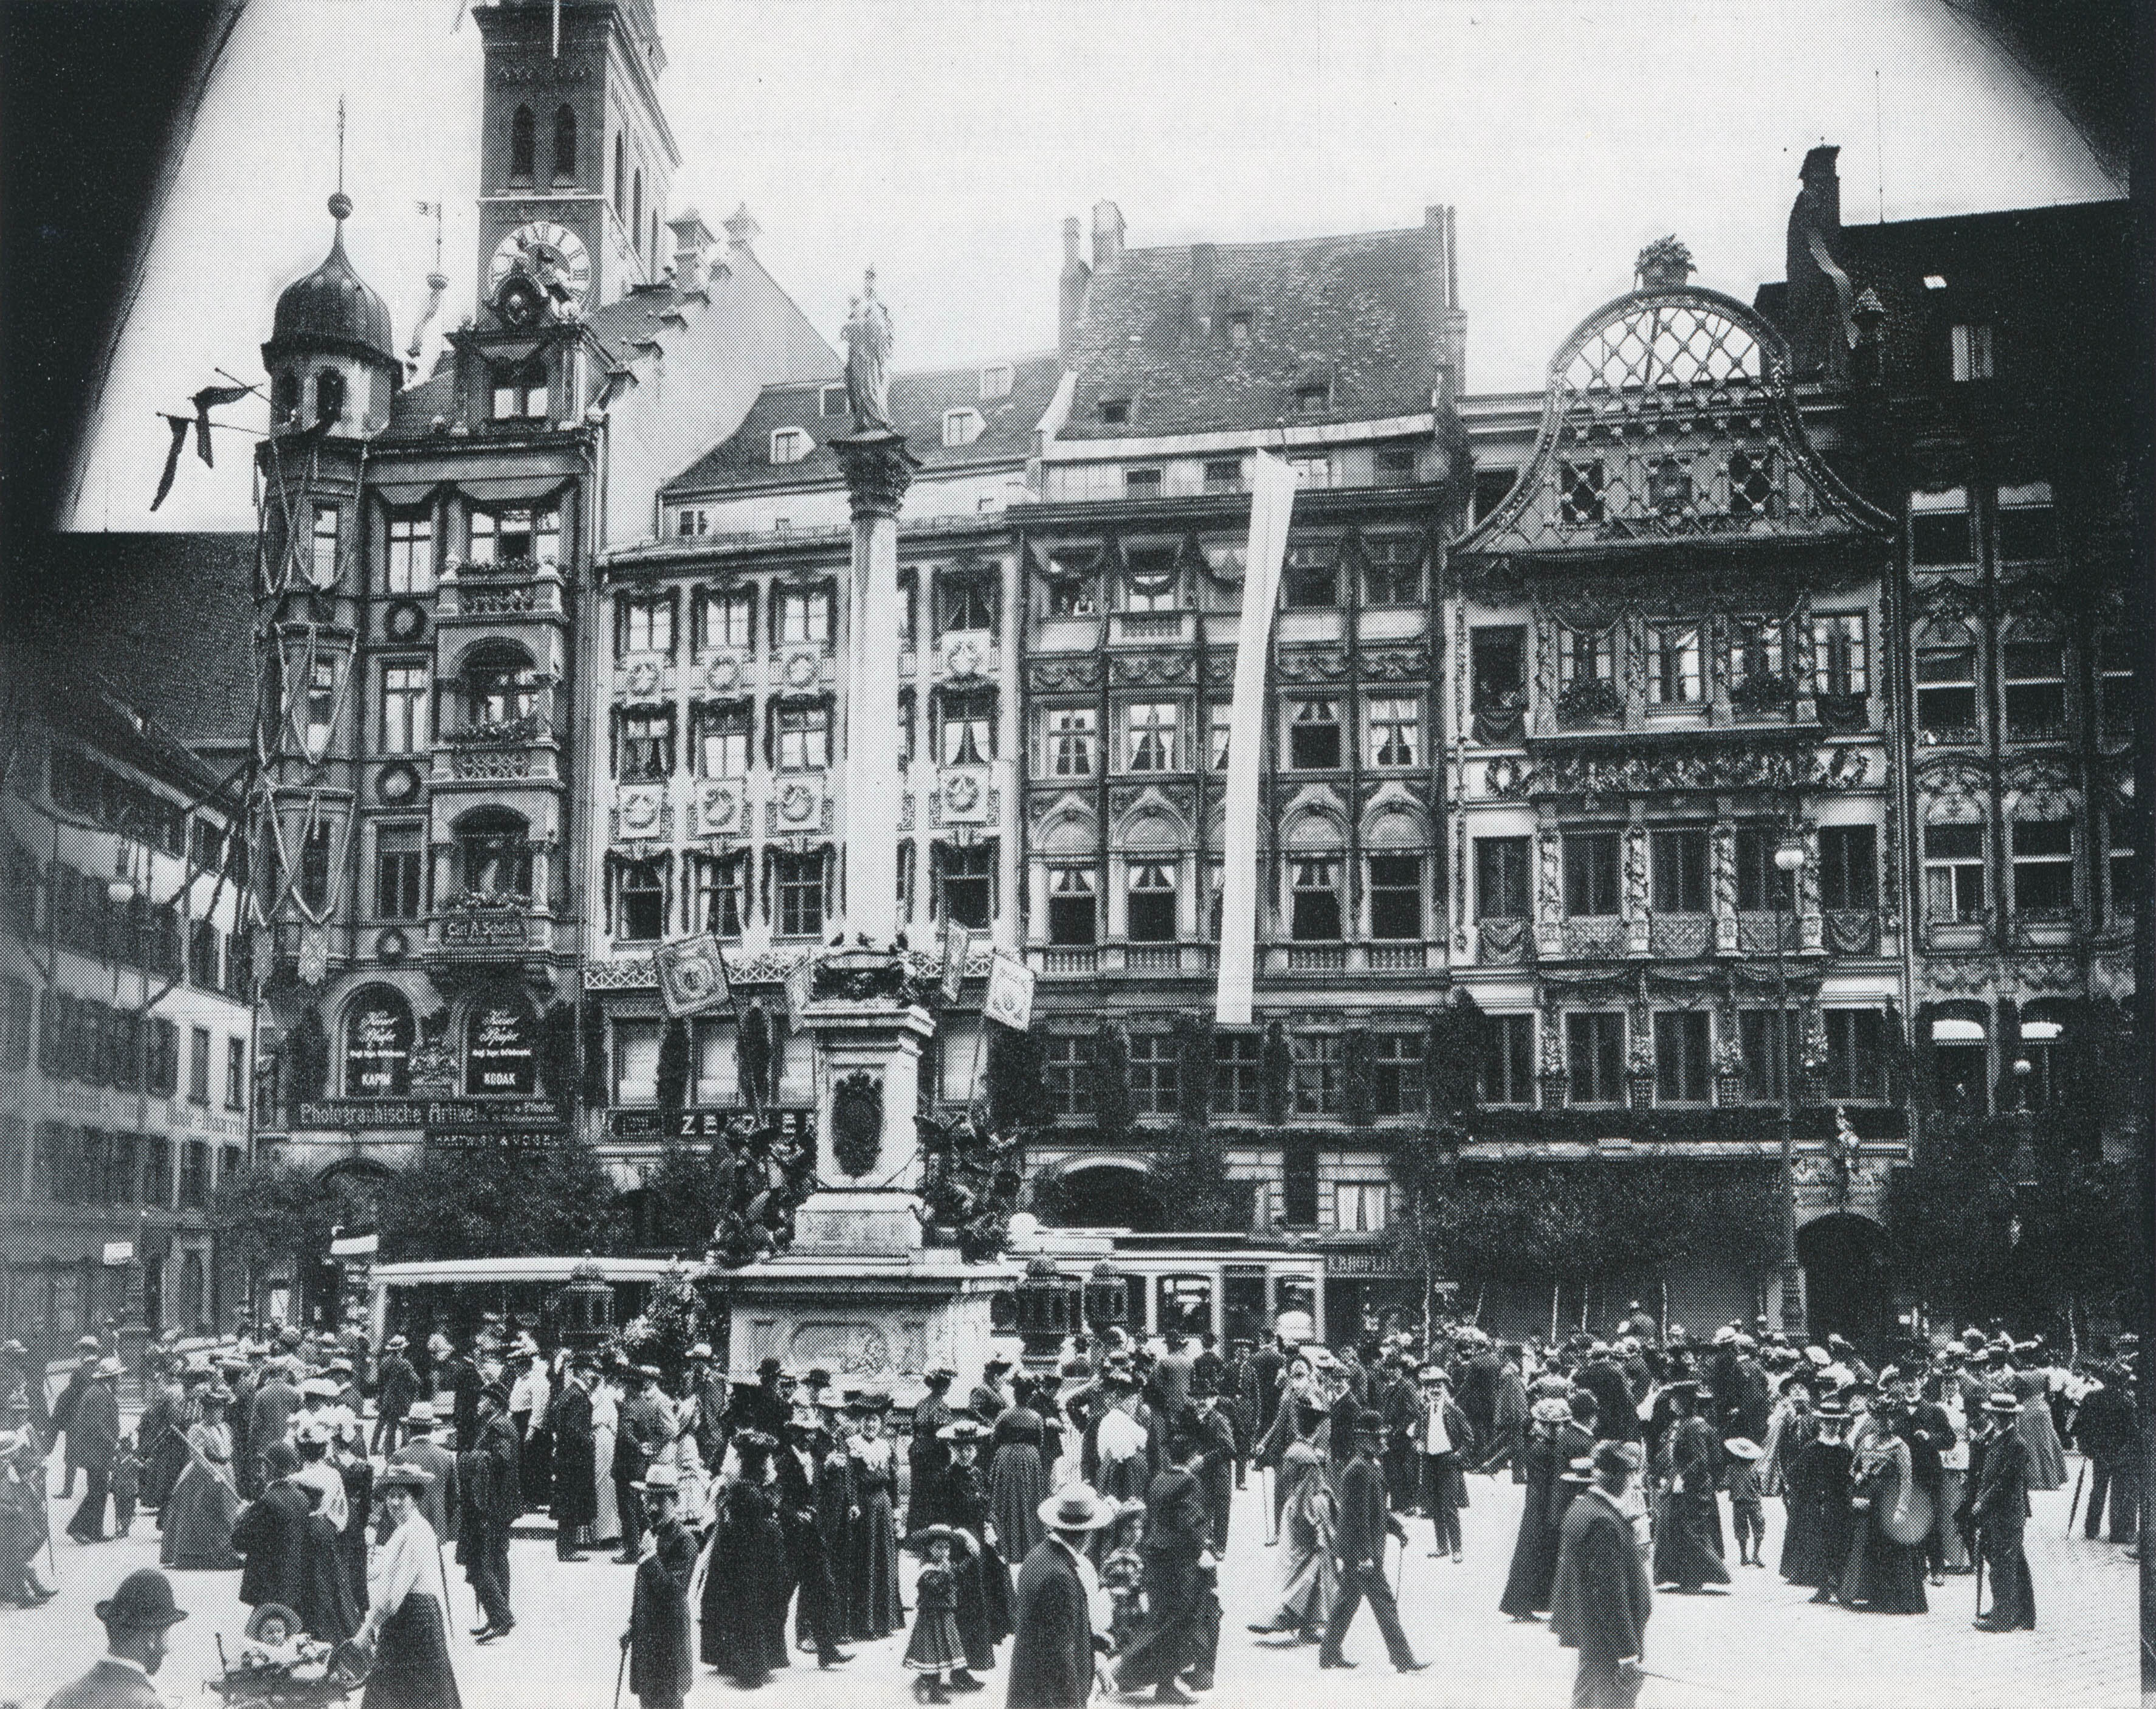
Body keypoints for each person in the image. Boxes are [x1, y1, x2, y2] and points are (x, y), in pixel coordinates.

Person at [1111, 1432, 1221, 1702]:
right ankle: (1163, 1682)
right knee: (1181, 1620)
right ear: (1193, 1456)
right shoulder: (1189, 1481)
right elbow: (1190, 1521)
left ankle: (1138, 1673)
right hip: (1178, 1559)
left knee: (1160, 1618)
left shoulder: (1160, 1478)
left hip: (1155, 1555)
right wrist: (1203, 1551)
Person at [1318, 1410, 1428, 1675]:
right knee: (1385, 1603)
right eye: (1378, 1436)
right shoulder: (1358, 1469)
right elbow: (1356, 1518)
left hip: (1362, 1552)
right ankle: (1404, 1659)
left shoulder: (1369, 1466)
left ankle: (1328, 1654)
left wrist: (1395, 1527)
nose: (1384, 1441)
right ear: (1363, 1439)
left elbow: (1375, 1509)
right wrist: (1365, 1555)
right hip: (1362, 1554)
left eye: (1383, 1435)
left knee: (1347, 1602)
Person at [1551, 1441, 1653, 1709]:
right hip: (1608, 1637)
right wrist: (1628, 1653)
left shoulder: (1582, 1508)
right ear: (1619, 1477)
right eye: (1630, 1475)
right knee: (1613, 1702)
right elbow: (1609, 1593)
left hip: (1593, 1633)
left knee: (1586, 1700)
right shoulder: (1603, 1522)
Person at [354, 1463, 461, 1709]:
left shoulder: (416, 1532)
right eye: (391, 1496)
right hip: (410, 1617)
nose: (394, 1503)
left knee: (411, 1692)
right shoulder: (406, 1530)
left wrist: (366, 1630)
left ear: (415, 1499)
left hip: (413, 1619)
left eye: (402, 1496)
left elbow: (393, 1599)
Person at [1007, 1486, 1113, 1709]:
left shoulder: (1038, 1555)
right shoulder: (1061, 1576)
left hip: (1029, 1689)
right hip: (1049, 1697)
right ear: (1088, 1534)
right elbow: (1060, 1657)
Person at [701, 1430, 790, 1688]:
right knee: (751, 1613)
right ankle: (750, 1670)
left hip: (741, 1562)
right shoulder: (750, 1494)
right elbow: (758, 1533)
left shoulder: (744, 1490)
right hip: (750, 1565)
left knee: (741, 1611)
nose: (772, 1465)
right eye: (768, 1461)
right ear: (760, 1464)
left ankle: (736, 1661)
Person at [45, 1567, 190, 1709]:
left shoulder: (62, 1697)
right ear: (152, 1639)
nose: (168, 1649)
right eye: (167, 1632)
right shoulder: (147, 1704)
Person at [778, 1404, 852, 1669]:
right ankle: (771, 1651)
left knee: (824, 1590)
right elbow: (777, 1498)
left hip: (813, 1538)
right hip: (790, 1539)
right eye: (804, 1432)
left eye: (812, 1432)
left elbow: (821, 1495)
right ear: (794, 1434)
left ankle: (826, 1649)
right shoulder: (784, 1461)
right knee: (781, 1594)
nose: (810, 1437)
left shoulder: (816, 1461)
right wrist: (795, 1513)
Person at [1836, 1396, 1926, 1614]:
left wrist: (1902, 1509)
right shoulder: (1866, 1441)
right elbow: (1852, 1468)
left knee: (1889, 1548)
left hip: (1888, 1502)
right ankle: (1863, 1594)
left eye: (1889, 1419)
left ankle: (1890, 1599)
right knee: (1863, 1545)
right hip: (1867, 1501)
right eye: (1880, 1418)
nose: (1885, 1423)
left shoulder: (1900, 1446)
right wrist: (1858, 1475)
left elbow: (1907, 1481)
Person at [941, 1417, 1012, 1687]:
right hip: (959, 1549)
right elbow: (940, 1518)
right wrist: (959, 1535)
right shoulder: (947, 1478)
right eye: (960, 1448)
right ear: (952, 1449)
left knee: (980, 1605)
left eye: (970, 1448)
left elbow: (988, 1507)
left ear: (977, 1449)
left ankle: (969, 1666)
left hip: (982, 1547)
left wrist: (992, 1528)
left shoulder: (980, 1475)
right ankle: (956, 1670)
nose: (966, 1453)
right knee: (963, 1607)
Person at [622, 1462, 697, 1709]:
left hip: (669, 1642)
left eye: (660, 1501)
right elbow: (642, 1591)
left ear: (675, 1501)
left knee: (669, 1701)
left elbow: (674, 1594)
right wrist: (633, 1625)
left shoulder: (685, 1541)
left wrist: (652, 1557)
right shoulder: (651, 1534)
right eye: (648, 1500)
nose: (652, 1507)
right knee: (648, 1701)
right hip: (648, 1641)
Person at [1648, 1380, 1728, 1593]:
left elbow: (1700, 1461)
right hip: (1684, 1487)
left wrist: (1683, 1479)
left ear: (1684, 1402)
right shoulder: (1685, 1424)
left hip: (1692, 1489)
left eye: (1675, 1400)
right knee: (1680, 1532)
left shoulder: (1694, 1426)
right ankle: (1684, 1577)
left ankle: (1694, 1578)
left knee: (1692, 1533)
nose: (1671, 1404)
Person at [1500, 1397, 1574, 1619]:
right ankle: (1523, 1604)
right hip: (1541, 1508)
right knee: (1533, 1555)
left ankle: (1526, 1604)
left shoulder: (1537, 1444)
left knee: (1534, 1555)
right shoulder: (1544, 1449)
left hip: (1536, 1507)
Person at [1970, 1389, 2036, 1632]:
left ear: (2008, 1418)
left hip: (2007, 1514)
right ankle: (2013, 1609)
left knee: (2004, 1565)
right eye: (1994, 1414)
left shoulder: (2016, 1444)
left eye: (1998, 1415)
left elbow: (2005, 1482)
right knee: (2007, 1561)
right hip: (1995, 1514)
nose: (1995, 1419)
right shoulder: (1996, 1438)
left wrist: (1982, 1503)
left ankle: (2005, 1616)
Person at [460, 1379, 520, 1643]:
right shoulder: (497, 1424)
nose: (479, 1404)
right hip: (498, 1505)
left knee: (488, 1561)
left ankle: (500, 1618)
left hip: (494, 1506)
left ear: (493, 1403)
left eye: (483, 1400)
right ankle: (497, 1615)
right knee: (496, 1560)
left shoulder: (499, 1426)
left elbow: (501, 1460)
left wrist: (470, 1458)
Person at [844, 1390, 905, 1641]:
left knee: (885, 1559)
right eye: (867, 1420)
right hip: (865, 1509)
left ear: (881, 1423)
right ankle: (865, 1623)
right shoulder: (854, 1446)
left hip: (884, 1505)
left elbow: (893, 1482)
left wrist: (897, 1511)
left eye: (875, 1421)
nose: (871, 1424)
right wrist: (854, 1503)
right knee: (866, 1559)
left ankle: (885, 1620)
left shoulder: (886, 1447)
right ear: (861, 1422)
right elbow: (851, 1480)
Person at [159, 1383, 241, 1569]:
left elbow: (228, 1451)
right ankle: (201, 1555)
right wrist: (213, 1471)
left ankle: (225, 1551)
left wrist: (227, 1470)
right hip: (204, 1476)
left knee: (227, 1513)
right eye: (212, 1410)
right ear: (206, 1412)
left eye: (220, 1410)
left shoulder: (225, 1428)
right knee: (204, 1514)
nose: (216, 1414)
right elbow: (197, 1456)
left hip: (225, 1471)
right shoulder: (198, 1429)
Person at [235, 1440, 312, 1615]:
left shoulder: (267, 1501)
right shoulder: (302, 1498)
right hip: (292, 1583)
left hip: (266, 1584)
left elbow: (239, 1540)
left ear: (271, 1468)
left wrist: (242, 1517)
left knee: (261, 1634)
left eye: (264, 1465)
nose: (261, 1470)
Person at [903, 1525, 973, 1703]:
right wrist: (945, 1572)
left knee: (943, 1651)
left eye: (946, 1548)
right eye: (938, 1547)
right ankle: (933, 1691)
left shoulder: (946, 1566)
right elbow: (935, 1586)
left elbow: (958, 1572)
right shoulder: (927, 1569)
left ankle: (930, 1684)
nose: (943, 1552)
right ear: (930, 1549)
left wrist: (970, 1557)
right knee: (932, 1652)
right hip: (931, 1618)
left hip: (945, 1616)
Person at [2075, 1364, 2138, 1544]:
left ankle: (2091, 1528)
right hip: (2120, 1454)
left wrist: (2087, 1448)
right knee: (2118, 1493)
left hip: (2099, 1453)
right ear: (2122, 1381)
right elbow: (2133, 1432)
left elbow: (2080, 1426)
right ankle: (2117, 1532)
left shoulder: (2092, 1397)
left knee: (2098, 1490)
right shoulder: (2127, 1401)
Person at [989, 1381, 1049, 1565]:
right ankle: (1029, 1547)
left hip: (1006, 1458)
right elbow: (1040, 1441)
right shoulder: (1037, 1417)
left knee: (1005, 1500)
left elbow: (994, 1440)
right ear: (1030, 1396)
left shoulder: (1004, 1415)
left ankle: (1006, 1545)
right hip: (1030, 1461)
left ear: (1015, 1395)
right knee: (1029, 1501)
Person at [1416, 1364, 1472, 1561]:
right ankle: (1442, 1546)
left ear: (1445, 1387)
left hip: (1448, 1461)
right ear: (1426, 1390)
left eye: (1438, 1385)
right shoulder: (1424, 1412)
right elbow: (1419, 1435)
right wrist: (1419, 1443)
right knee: (1435, 1506)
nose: (1434, 1390)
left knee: (1449, 1506)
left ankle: (1457, 1549)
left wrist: (1457, 1456)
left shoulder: (1453, 1410)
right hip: (1431, 1462)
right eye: (1430, 1386)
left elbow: (1469, 1438)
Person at [615, 1365, 670, 1563]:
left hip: (627, 1464)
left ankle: (631, 1551)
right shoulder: (645, 1404)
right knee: (639, 1508)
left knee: (628, 1510)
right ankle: (644, 1548)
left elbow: (626, 1434)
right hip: (639, 1463)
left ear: (630, 1385)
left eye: (623, 1383)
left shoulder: (630, 1405)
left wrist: (640, 1446)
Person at [66, 1356, 123, 1543]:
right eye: (117, 1377)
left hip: (98, 1451)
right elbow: (98, 1425)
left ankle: (95, 1530)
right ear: (110, 1378)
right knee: (97, 1490)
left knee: (100, 1490)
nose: (119, 1380)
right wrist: (114, 1442)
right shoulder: (99, 1394)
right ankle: (76, 1527)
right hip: (96, 1452)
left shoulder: (99, 1391)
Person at [387, 1404, 458, 1545]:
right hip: (437, 1525)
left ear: (409, 1429)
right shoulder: (446, 1457)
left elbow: (384, 1494)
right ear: (431, 1429)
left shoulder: (399, 1456)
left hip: (407, 1526)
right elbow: (453, 1499)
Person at [549, 1355, 595, 1562]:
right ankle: (568, 1550)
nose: (591, 1374)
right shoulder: (577, 1395)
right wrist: (589, 1439)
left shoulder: (568, 1393)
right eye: (588, 1370)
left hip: (566, 1457)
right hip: (575, 1459)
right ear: (580, 1372)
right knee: (571, 1504)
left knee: (567, 1503)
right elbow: (575, 1429)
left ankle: (565, 1548)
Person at [49, 1341, 100, 1501]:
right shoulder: (100, 1369)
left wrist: (59, 1414)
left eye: (80, 1351)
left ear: (86, 1351)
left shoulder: (80, 1372)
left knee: (71, 1457)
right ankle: (95, 1491)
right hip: (94, 1419)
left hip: (77, 1420)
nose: (79, 1354)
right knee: (93, 1454)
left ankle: (68, 1490)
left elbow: (70, 1395)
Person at [910, 1366, 957, 1535]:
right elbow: (944, 1436)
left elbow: (915, 1431)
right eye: (947, 1384)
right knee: (934, 1496)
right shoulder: (941, 1407)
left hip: (918, 1454)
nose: (948, 1387)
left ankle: (918, 1533)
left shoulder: (921, 1404)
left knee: (919, 1497)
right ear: (942, 1386)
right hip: (933, 1456)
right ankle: (932, 1535)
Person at [1722, 1437, 1766, 1567]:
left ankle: (1744, 1556)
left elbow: (1725, 1484)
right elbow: (1760, 1487)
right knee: (1758, 1527)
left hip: (1739, 1502)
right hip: (1753, 1502)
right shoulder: (1755, 1469)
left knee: (1741, 1529)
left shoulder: (1731, 1469)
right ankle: (1755, 1555)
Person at [373, 1337, 420, 1454]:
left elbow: (379, 1382)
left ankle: (380, 1449)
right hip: (401, 1399)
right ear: (401, 1350)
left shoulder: (384, 1362)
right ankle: (404, 1450)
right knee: (404, 1425)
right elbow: (416, 1381)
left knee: (386, 1425)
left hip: (386, 1398)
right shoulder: (405, 1364)